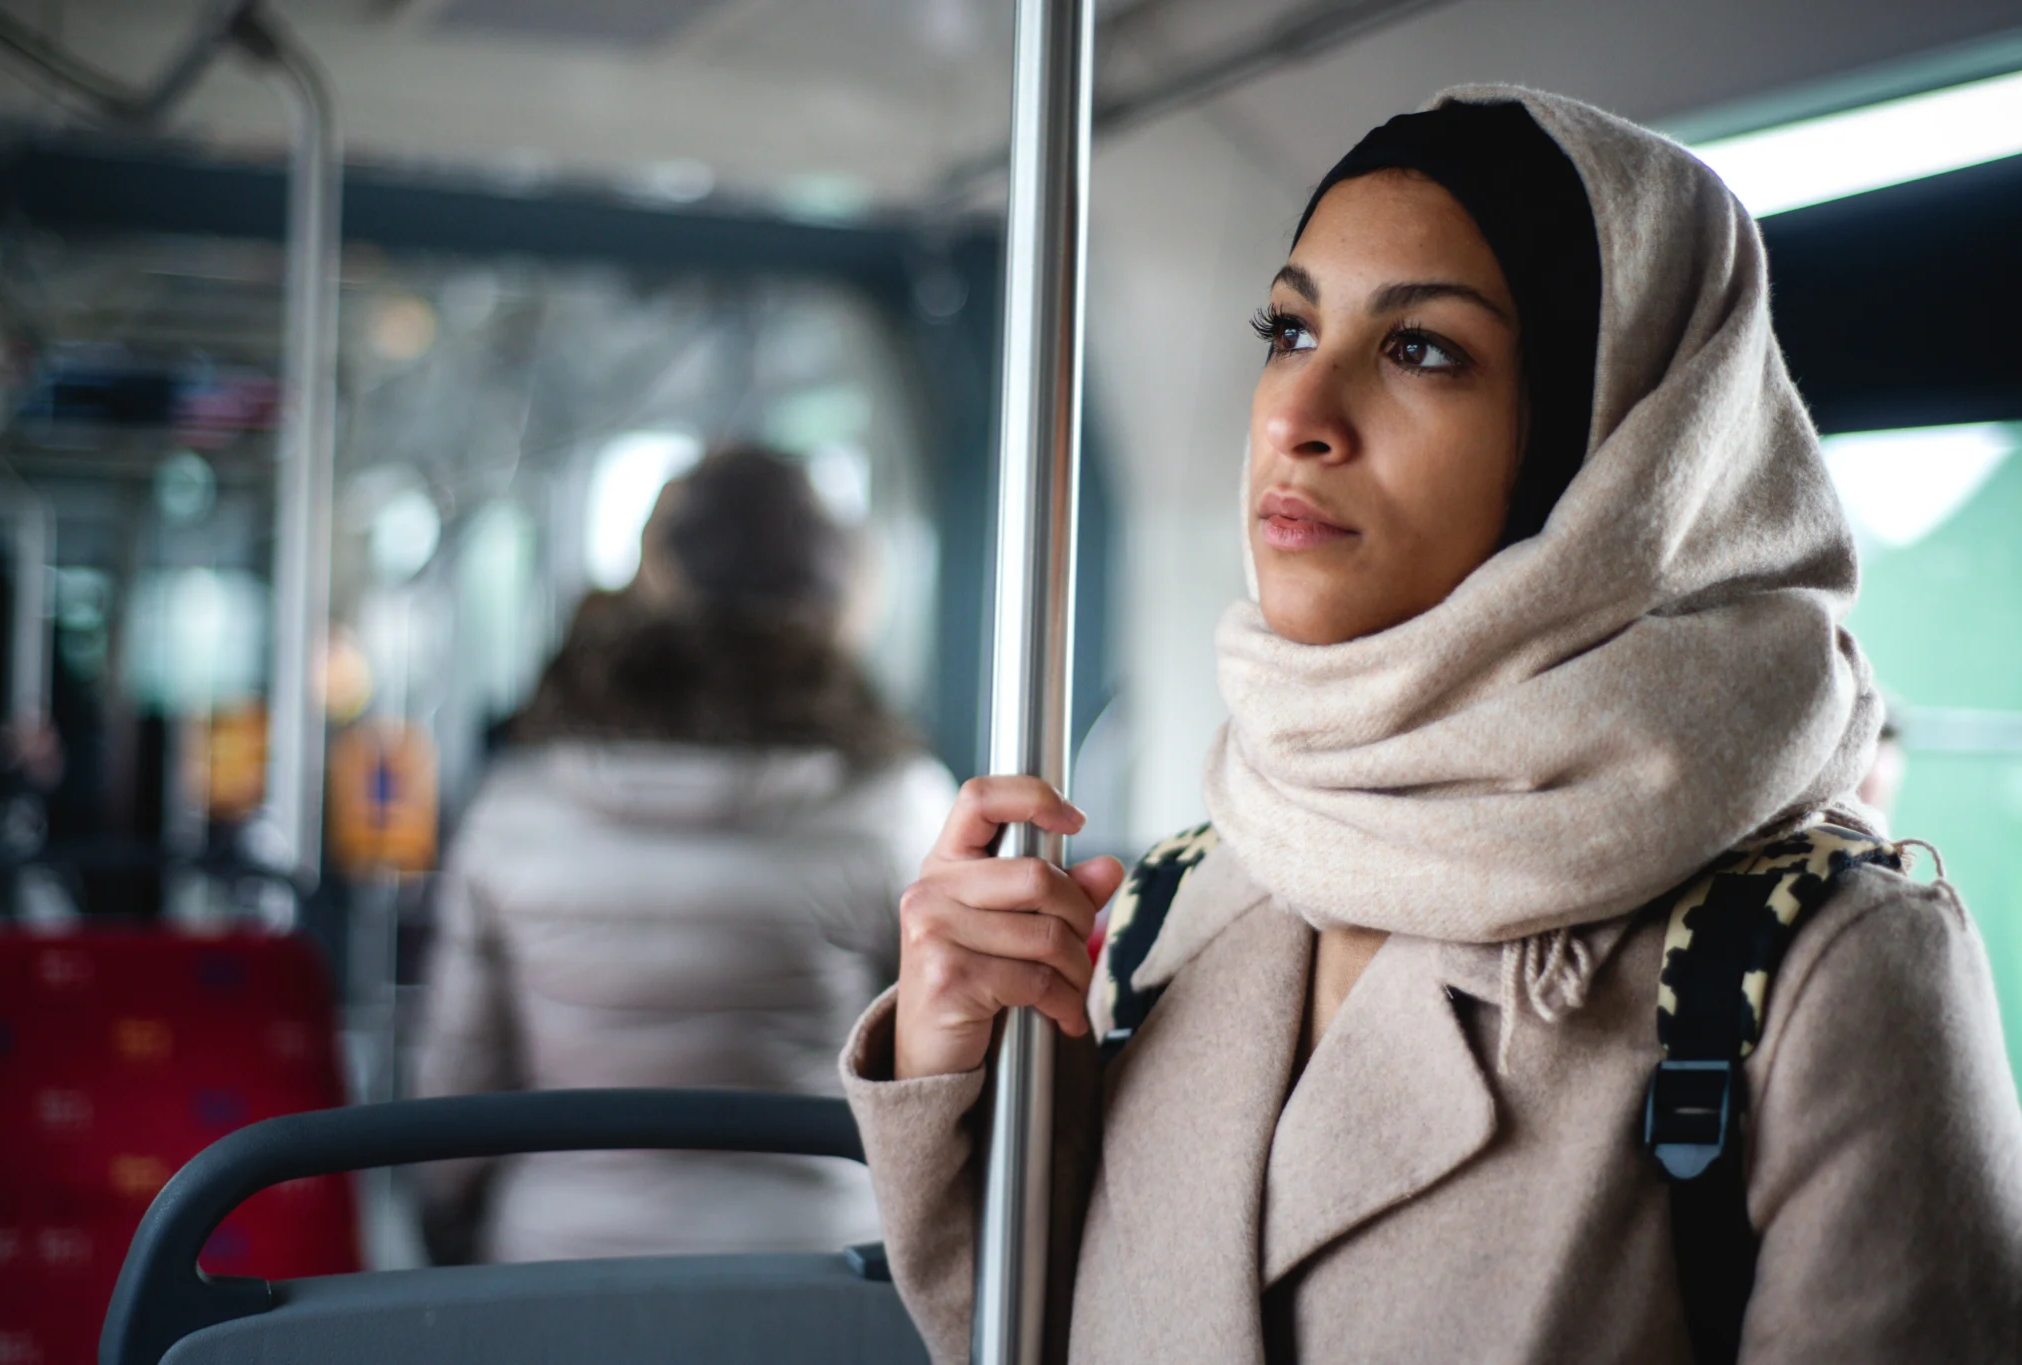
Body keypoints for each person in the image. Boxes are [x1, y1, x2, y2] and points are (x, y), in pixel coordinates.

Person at [842, 90, 2022, 1363]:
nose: (1296, 415)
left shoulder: (1821, 972)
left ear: (1616, 447)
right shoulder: (1166, 913)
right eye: (1288, 329)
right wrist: (951, 1076)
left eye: (1419, 350)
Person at [416, 445, 956, 1264]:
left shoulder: (517, 802)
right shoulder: (899, 805)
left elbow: (459, 1081)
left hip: (555, 1265)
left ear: (653, 585)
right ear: (838, 599)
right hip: (819, 1267)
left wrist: (447, 1226)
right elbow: (933, 1086)